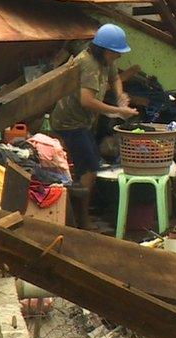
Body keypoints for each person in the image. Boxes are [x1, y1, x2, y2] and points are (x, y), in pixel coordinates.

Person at [51, 23, 138, 229]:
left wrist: (120, 96)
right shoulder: (88, 63)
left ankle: (82, 213)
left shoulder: (106, 60)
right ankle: (82, 221)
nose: (118, 57)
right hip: (70, 122)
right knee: (89, 168)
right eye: (116, 53)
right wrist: (118, 111)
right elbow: (86, 100)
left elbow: (115, 77)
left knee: (91, 164)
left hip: (84, 122)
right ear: (105, 50)